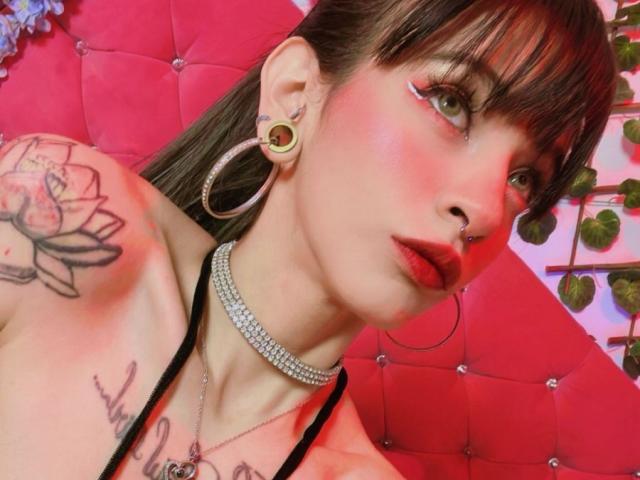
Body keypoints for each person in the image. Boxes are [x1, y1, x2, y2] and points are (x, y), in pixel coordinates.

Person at [0, 0, 617, 478]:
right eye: (451, 102)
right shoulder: (55, 213)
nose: (482, 209)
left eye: (523, 177)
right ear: (295, 94)